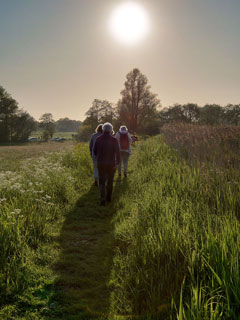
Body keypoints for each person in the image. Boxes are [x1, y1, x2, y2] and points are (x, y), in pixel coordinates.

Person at [93, 122, 120, 206]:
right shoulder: (114, 140)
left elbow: (94, 151)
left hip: (101, 163)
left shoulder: (98, 139)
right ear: (111, 130)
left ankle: (102, 199)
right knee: (110, 181)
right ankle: (109, 198)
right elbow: (117, 152)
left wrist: (99, 157)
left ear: (103, 129)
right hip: (111, 164)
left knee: (102, 182)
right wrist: (117, 162)